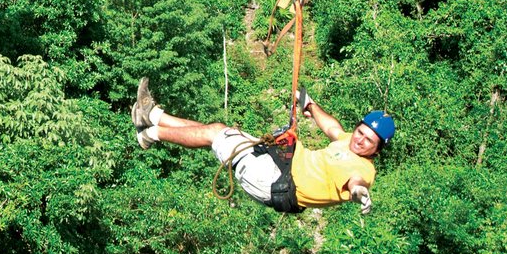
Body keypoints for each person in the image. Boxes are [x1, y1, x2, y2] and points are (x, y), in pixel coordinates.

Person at [131, 78, 395, 213]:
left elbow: (356, 182)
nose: (359, 139)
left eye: (368, 141)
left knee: (214, 134)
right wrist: (309, 104)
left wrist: (360, 193)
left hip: (275, 181)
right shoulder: (347, 141)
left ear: (377, 149)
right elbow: (332, 127)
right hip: (277, 164)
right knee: (220, 130)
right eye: (360, 132)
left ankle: (150, 133)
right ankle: (152, 115)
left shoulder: (363, 168)